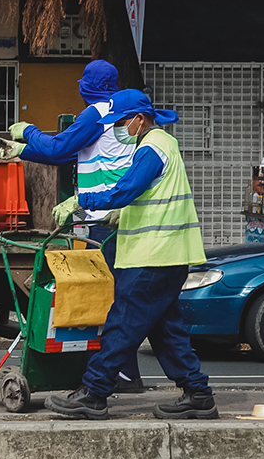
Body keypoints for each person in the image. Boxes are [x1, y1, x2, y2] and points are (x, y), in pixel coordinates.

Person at [45, 89, 216, 420]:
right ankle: (198, 394)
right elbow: (142, 193)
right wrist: (122, 210)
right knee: (166, 329)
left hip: (153, 255)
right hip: (165, 255)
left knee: (122, 322)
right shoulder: (158, 145)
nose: (118, 129)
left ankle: (93, 393)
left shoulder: (152, 147)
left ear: (140, 119)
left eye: (121, 122)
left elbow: (127, 189)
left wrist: (84, 201)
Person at [0, 59, 143, 392]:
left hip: (104, 220)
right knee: (118, 297)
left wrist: (28, 132)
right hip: (115, 217)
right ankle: (123, 371)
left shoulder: (97, 112)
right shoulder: (121, 114)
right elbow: (68, 154)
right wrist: (24, 151)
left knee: (113, 300)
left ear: (86, 86)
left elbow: (60, 146)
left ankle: (122, 374)